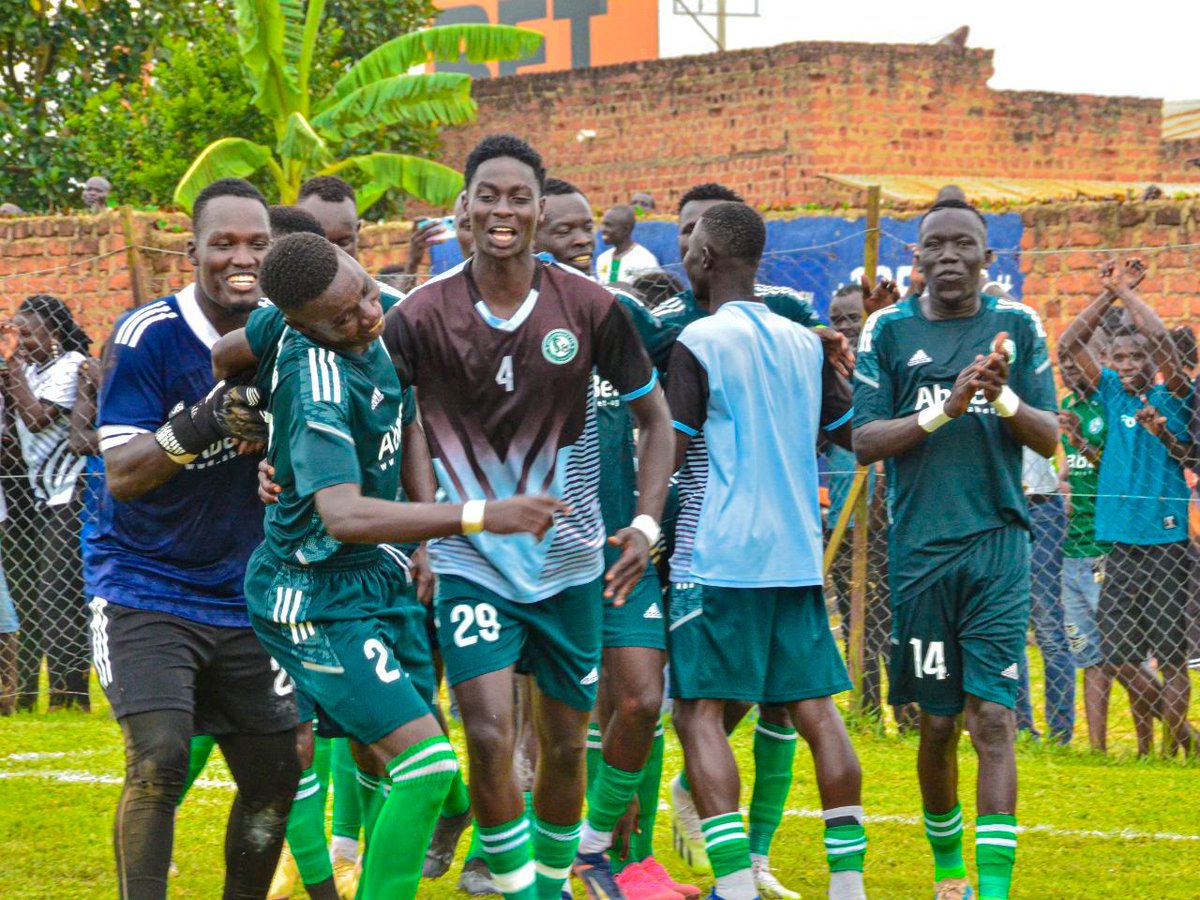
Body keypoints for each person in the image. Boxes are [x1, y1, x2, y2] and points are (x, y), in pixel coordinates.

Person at [382, 134, 673, 900]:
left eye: (518, 197)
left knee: (566, 745)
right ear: (463, 208)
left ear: (540, 211)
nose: (502, 210)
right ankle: (517, 889)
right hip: (470, 556)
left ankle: (549, 883)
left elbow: (658, 422)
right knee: (484, 733)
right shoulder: (419, 314)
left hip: (570, 564)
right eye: (488, 195)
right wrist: (423, 523)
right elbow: (387, 417)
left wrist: (644, 525)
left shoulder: (592, 308)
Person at [238, 231, 564, 899]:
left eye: (363, 291)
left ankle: (429, 828)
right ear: (304, 324)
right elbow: (344, 515)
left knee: (426, 766)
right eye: (344, 317)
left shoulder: (361, 313)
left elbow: (406, 416)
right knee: (424, 765)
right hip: (313, 594)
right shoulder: (318, 382)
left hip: (379, 573)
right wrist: (474, 516)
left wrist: (419, 536)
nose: (366, 315)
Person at [91, 177, 299, 899]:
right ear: (193, 252)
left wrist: (282, 461)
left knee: (278, 775)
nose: (240, 258)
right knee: (159, 757)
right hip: (145, 583)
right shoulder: (147, 335)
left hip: (248, 591)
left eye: (256, 244)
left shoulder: (288, 333)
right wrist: (204, 422)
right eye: (224, 243)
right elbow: (121, 473)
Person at [853, 197, 1058, 900]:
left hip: (999, 547)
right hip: (920, 557)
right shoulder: (887, 330)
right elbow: (864, 441)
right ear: (916, 258)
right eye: (932, 245)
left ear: (985, 258)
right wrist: (945, 407)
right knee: (937, 726)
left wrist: (1000, 400)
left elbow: (1051, 436)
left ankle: (991, 893)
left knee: (993, 718)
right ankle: (949, 875)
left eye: (961, 244)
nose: (946, 256)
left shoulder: (1017, 326)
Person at [667, 201, 866, 900]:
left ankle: (734, 885)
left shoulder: (699, 340)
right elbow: (851, 436)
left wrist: (636, 521)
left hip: (722, 556)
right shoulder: (806, 343)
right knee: (817, 712)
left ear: (705, 260)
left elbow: (673, 445)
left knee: (700, 714)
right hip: (795, 556)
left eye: (690, 246)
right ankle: (848, 883)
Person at [535, 177, 696, 900]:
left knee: (638, 700)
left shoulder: (617, 311)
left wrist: (809, 330)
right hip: (534, 557)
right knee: (560, 724)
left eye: (586, 229)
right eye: (562, 229)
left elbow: (695, 331)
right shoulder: (499, 317)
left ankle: (604, 852)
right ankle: (556, 863)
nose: (578, 240)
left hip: (620, 550)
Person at [1058, 258, 1197, 757]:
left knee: (1173, 659)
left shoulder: (1173, 396)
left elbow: (1161, 342)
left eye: (1135, 357)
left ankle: (1163, 755)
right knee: (1117, 657)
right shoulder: (1112, 393)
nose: (1127, 366)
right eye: (1118, 358)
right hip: (1117, 545)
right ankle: (1180, 740)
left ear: (1151, 362)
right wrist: (1108, 295)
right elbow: (1068, 345)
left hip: (1166, 545)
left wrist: (1131, 295)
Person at [0, 295, 93, 710]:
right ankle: (55, 695)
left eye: (28, 334)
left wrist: (12, 367)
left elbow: (37, 417)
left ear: (53, 335)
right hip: (41, 496)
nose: (21, 343)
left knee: (60, 593)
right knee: (45, 595)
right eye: (15, 334)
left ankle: (71, 696)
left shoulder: (69, 365)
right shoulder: (32, 370)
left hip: (71, 492)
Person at [825, 283, 893, 721]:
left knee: (889, 615)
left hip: (886, 516)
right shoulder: (827, 378)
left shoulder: (882, 369)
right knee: (854, 619)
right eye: (838, 320)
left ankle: (905, 709)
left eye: (854, 317)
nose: (846, 326)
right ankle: (864, 707)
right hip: (843, 520)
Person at [1057, 347, 1114, 753]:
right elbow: (1073, 463)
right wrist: (1062, 480)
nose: (1069, 371)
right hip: (1070, 546)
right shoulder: (1066, 405)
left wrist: (1078, 440)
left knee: (1122, 655)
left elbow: (1114, 470)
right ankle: (1097, 749)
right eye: (1064, 365)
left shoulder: (1107, 406)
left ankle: (1172, 736)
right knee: (1088, 656)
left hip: (1104, 545)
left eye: (1077, 363)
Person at [1014, 447, 1075, 744]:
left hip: (1042, 507)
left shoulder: (1034, 398)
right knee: (1009, 627)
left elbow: (1054, 441)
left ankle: (1061, 733)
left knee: (1049, 626)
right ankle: (1019, 727)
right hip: (999, 504)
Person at [597, 204, 659, 285]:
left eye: (608, 225)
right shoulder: (602, 259)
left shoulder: (644, 260)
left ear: (625, 230)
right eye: (603, 224)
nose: (602, 229)